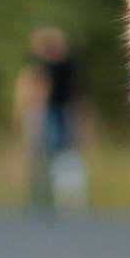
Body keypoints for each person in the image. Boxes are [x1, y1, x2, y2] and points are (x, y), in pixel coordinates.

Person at [22, 25, 91, 213]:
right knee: (66, 156)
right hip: (65, 113)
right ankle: (65, 197)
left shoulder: (47, 68)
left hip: (54, 114)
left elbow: (39, 94)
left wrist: (34, 121)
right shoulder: (70, 66)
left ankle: (55, 197)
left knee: (53, 156)